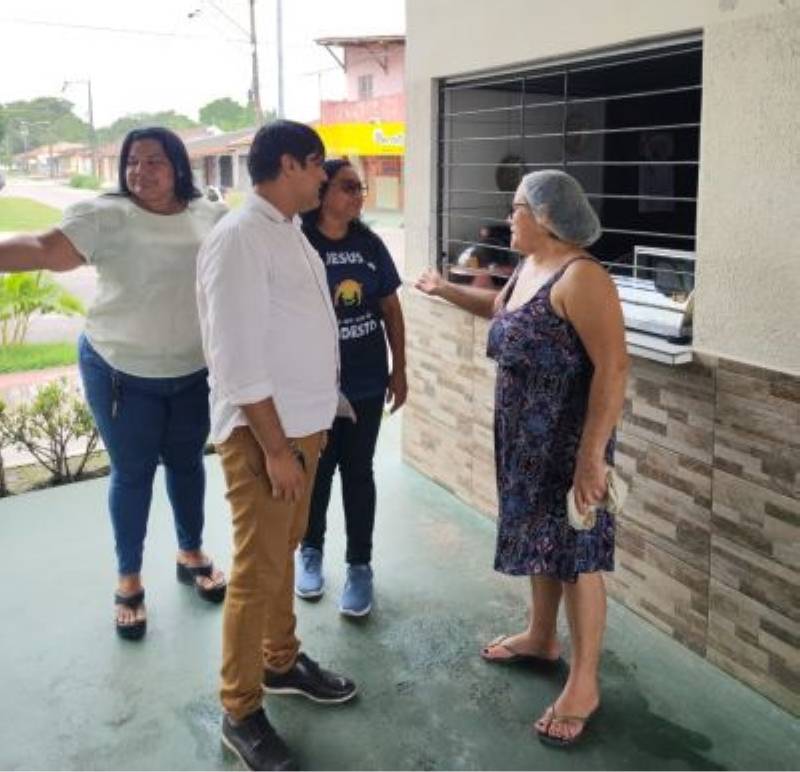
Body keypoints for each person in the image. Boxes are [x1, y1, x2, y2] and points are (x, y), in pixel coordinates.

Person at [415, 170, 629, 748]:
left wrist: (591, 458)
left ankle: (584, 684)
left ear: (549, 218)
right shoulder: (531, 271)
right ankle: (541, 636)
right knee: (540, 539)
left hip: (567, 445)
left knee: (577, 556)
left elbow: (613, 367)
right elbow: (500, 310)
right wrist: (444, 290)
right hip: (524, 441)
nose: (509, 218)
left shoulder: (583, 278)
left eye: (518, 209)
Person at [0, 127, 228, 641]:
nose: (139, 172)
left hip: (192, 370)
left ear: (178, 167)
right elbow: (41, 247)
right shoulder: (107, 216)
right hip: (122, 370)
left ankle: (190, 550)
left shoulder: (207, 214)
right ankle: (129, 576)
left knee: (189, 463)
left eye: (154, 162)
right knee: (132, 474)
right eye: (132, 162)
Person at [197, 120, 357, 772]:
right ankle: (240, 709)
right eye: (318, 167)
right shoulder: (238, 239)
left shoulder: (287, 233)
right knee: (257, 569)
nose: (324, 179)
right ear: (290, 164)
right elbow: (235, 360)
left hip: (302, 428)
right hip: (268, 436)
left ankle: (282, 662)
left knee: (281, 553)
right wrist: (274, 450)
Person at [294, 158, 406, 617]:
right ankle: (310, 551)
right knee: (316, 472)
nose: (358, 194)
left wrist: (400, 369)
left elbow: (391, 309)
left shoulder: (369, 244)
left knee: (358, 473)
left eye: (359, 187)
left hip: (364, 381)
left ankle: (360, 566)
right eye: (347, 187)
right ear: (321, 193)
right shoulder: (298, 243)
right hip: (313, 386)